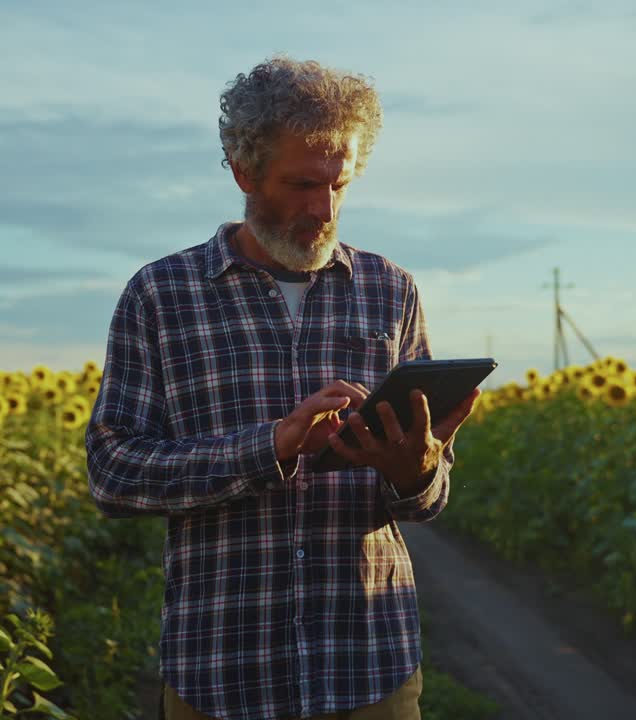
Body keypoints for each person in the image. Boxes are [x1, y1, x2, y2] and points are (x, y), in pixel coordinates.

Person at [85, 53, 480, 720]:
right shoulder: (160, 296)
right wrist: (272, 444)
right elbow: (112, 473)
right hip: (221, 673)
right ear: (243, 171)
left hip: (368, 670)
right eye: (301, 184)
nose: (323, 208)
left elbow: (424, 500)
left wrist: (416, 472)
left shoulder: (391, 291)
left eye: (339, 185)